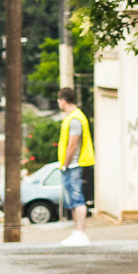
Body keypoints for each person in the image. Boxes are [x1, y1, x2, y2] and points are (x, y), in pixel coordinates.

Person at [57, 87, 95, 246]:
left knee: (77, 199)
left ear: (63, 101)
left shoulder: (74, 119)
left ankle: (80, 233)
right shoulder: (73, 117)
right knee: (73, 200)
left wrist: (65, 164)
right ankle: (77, 232)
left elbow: (72, 145)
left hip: (74, 165)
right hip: (74, 165)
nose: (58, 103)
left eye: (59, 100)